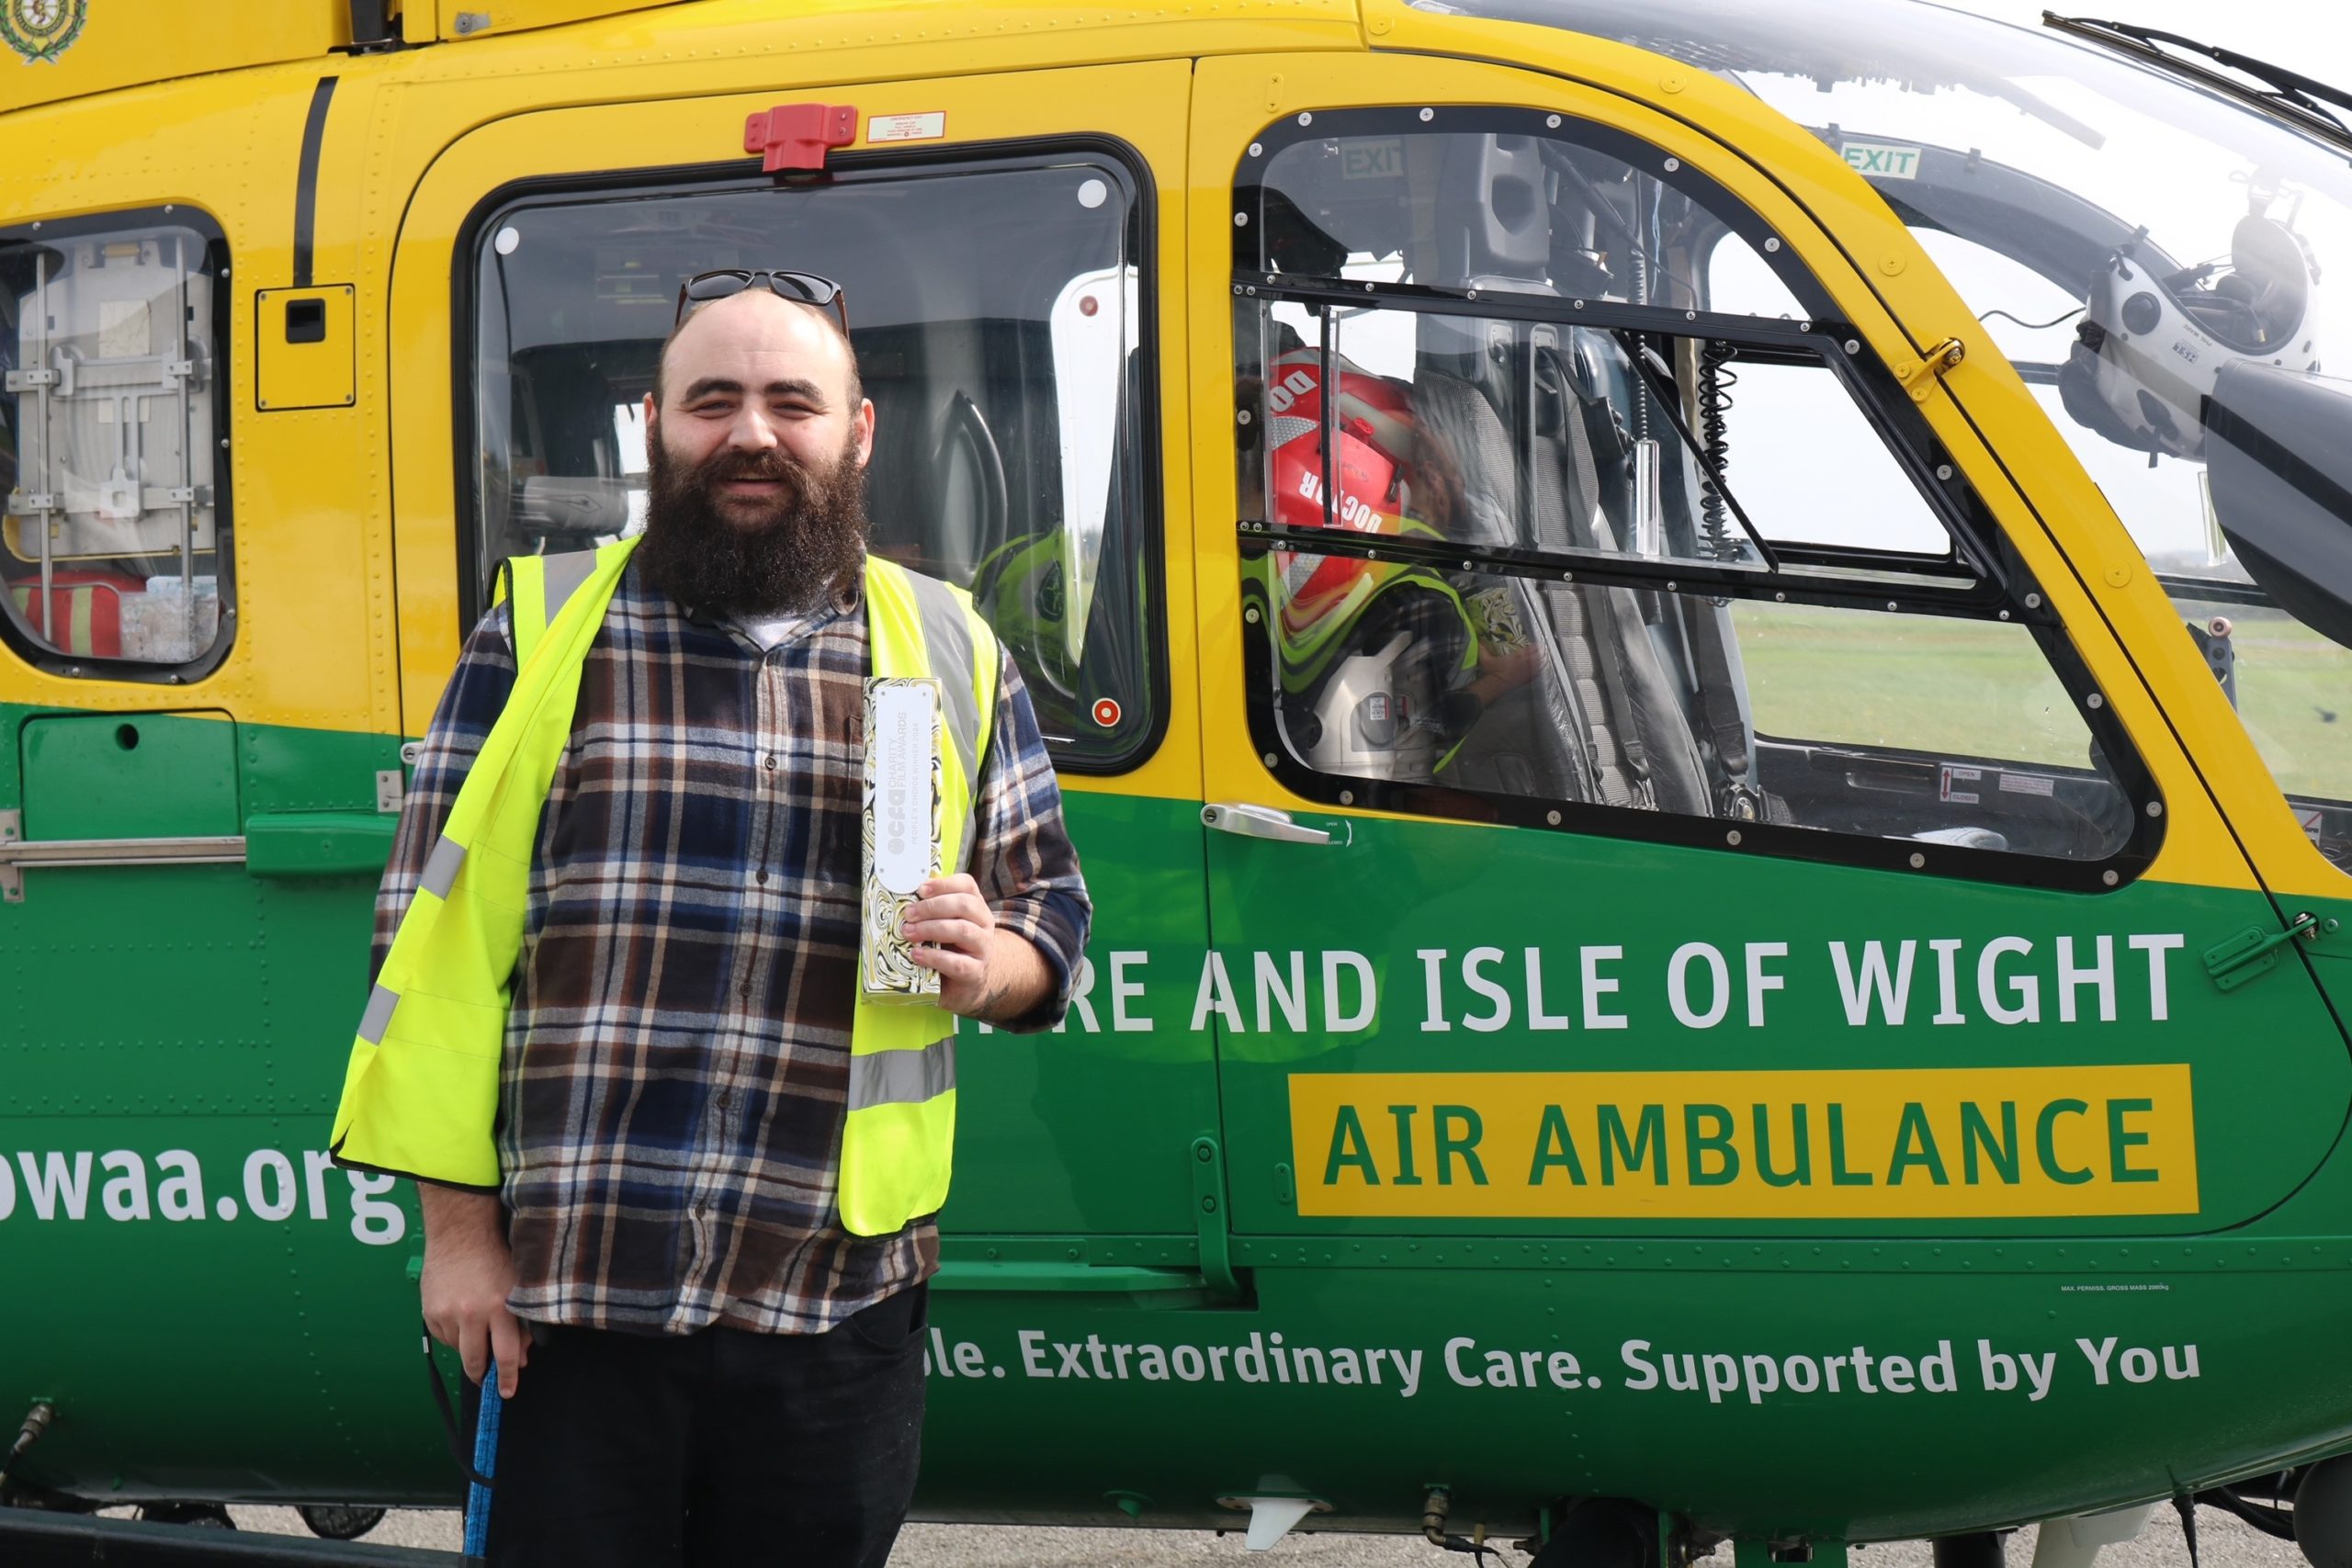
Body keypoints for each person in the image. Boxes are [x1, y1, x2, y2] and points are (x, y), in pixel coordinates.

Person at [330, 270, 1091, 1567]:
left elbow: (1053, 916)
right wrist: (456, 1237)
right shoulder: (543, 632)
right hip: (574, 1305)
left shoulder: (953, 651)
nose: (751, 432)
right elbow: (430, 947)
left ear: (857, 433)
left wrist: (997, 964)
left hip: (834, 1308)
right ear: (653, 425)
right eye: (713, 401)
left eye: (793, 402)